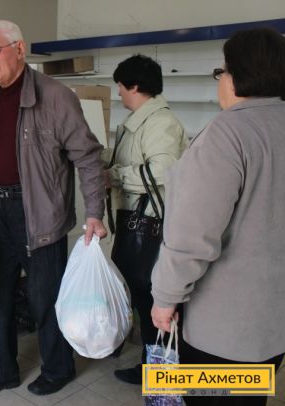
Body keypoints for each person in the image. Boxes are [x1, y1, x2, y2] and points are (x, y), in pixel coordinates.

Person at [0, 20, 107, 399]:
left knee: (44, 297)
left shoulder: (56, 97)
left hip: (41, 214)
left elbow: (88, 157)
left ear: (19, 48)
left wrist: (94, 212)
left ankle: (58, 368)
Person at [151, 27, 285, 406]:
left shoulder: (227, 134)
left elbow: (192, 237)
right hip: (273, 324)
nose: (220, 80)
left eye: (221, 71)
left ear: (237, 75)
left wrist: (165, 298)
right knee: (249, 397)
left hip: (224, 331)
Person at [106, 54, 186, 385]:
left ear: (135, 86)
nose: (119, 93)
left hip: (151, 229)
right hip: (139, 227)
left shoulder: (160, 123)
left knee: (155, 304)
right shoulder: (140, 121)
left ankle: (162, 375)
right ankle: (152, 367)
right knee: (144, 301)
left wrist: (114, 175)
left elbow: (162, 172)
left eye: (120, 87)